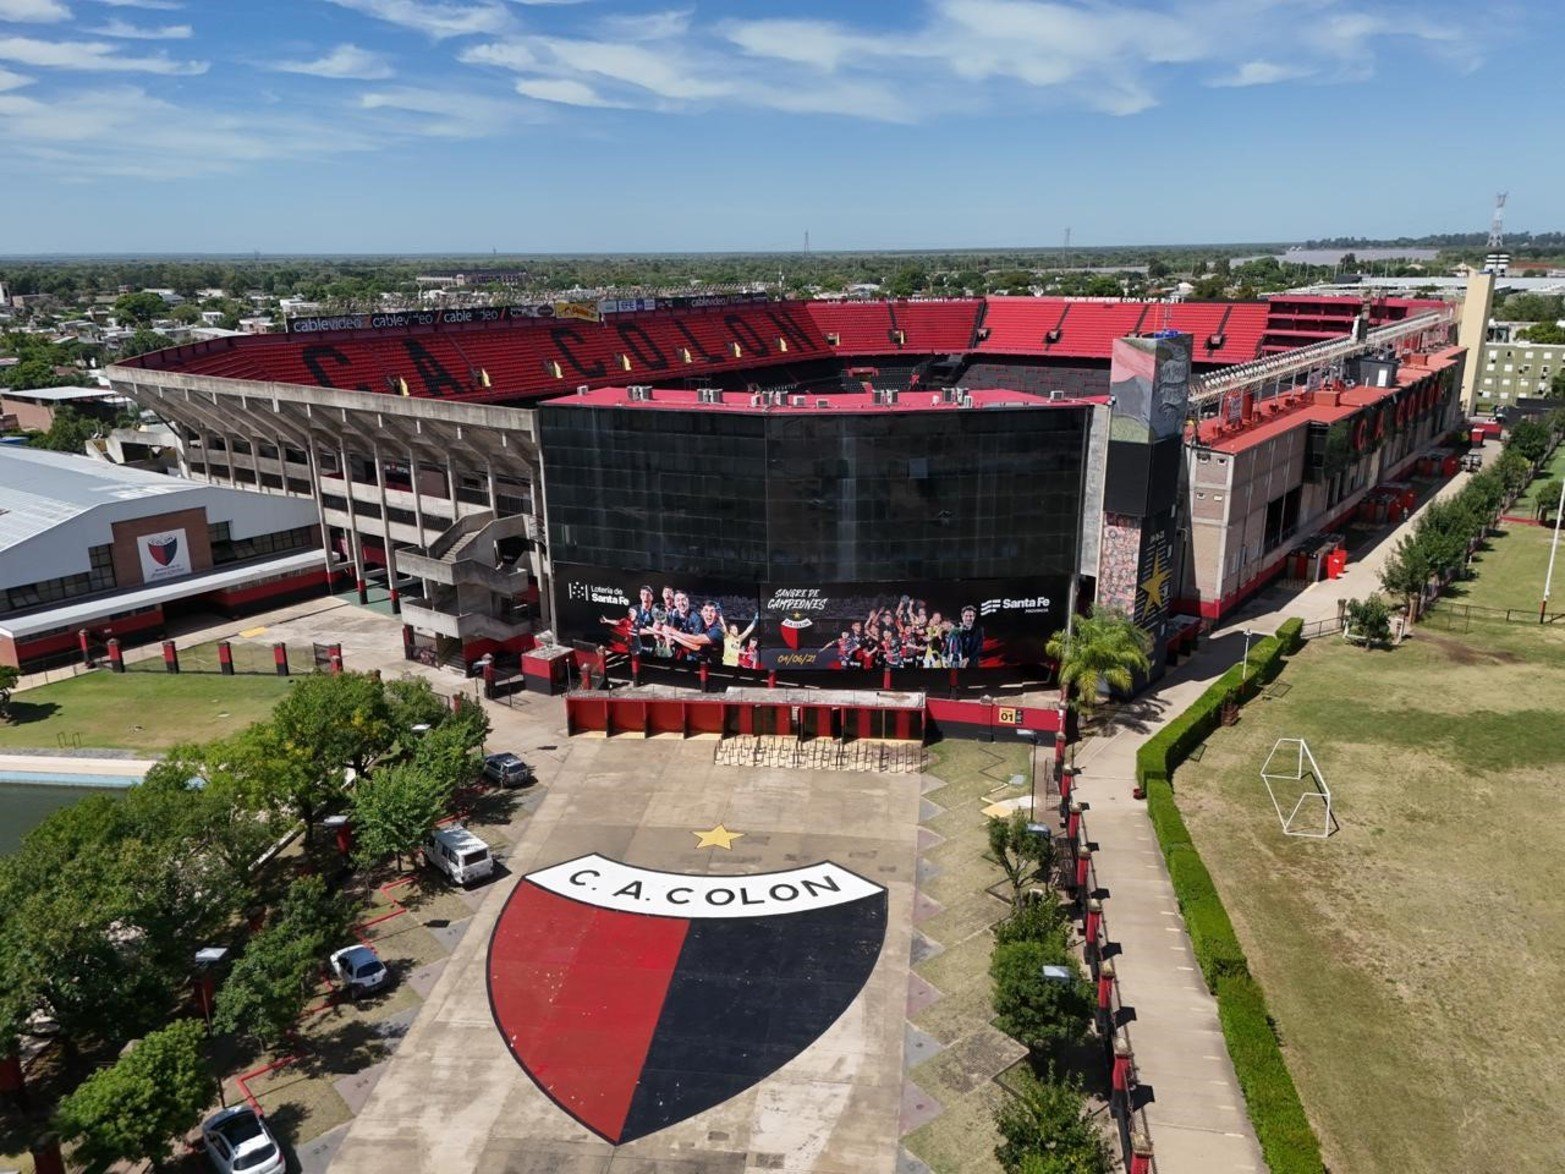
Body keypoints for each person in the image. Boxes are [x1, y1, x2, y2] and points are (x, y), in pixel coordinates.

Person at [662, 599, 726, 665]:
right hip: (696, 659)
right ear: (702, 612)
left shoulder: (718, 630)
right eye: (706, 610)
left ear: (716, 614)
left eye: (712, 611)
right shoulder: (700, 622)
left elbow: (696, 643)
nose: (709, 614)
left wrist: (673, 633)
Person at [949, 604, 984, 668]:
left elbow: (979, 648)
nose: (968, 618)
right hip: (957, 663)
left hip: (972, 664)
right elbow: (951, 646)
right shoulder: (956, 629)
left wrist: (968, 659)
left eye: (971, 616)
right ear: (962, 616)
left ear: (974, 617)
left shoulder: (979, 629)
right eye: (966, 616)